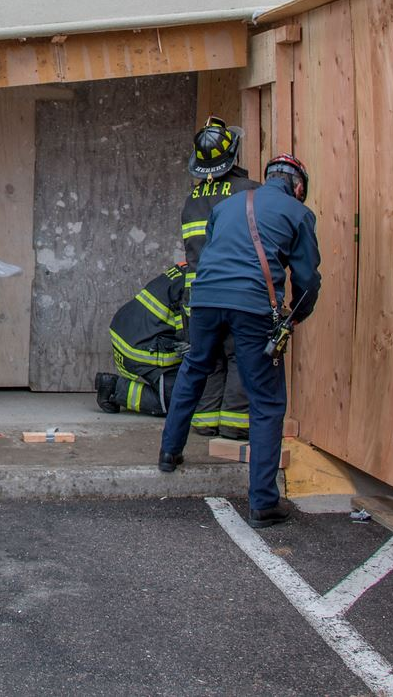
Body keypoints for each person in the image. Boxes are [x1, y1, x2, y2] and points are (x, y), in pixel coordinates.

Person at [158, 154, 321, 529]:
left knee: (195, 366)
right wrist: (295, 316)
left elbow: (212, 252)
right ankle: (263, 503)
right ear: (298, 187)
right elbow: (308, 280)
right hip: (251, 307)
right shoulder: (298, 214)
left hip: (204, 300)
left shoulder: (228, 204)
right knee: (266, 400)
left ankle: (169, 451)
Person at [181, 117, 260, 440]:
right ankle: (234, 424)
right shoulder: (250, 193)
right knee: (238, 356)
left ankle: (204, 422)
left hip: (197, 296)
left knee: (208, 360)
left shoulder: (192, 200)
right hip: (234, 292)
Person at [94, 262, 190, 416]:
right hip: (142, 345)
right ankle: (114, 388)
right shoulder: (199, 279)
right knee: (179, 401)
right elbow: (190, 333)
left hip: (132, 333)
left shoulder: (190, 266)